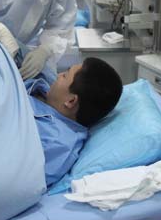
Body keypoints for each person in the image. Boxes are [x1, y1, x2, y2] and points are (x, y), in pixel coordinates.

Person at [26, 57, 123, 187]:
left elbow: (22, 182)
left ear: (71, 101)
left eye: (65, 75)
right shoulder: (52, 94)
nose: (58, 75)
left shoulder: (57, 144)